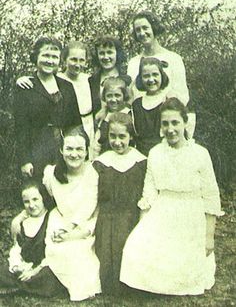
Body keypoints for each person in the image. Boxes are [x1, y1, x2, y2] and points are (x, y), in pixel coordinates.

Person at [120, 98, 222, 295]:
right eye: (165, 123)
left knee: (183, 264)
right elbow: (149, 192)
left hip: (191, 215)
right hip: (163, 210)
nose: (170, 129)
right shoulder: (156, 152)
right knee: (135, 248)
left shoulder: (200, 154)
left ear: (185, 123)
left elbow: (211, 196)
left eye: (175, 122)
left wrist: (209, 236)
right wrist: (143, 227)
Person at [42, 125, 101, 301]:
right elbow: (45, 199)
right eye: (69, 149)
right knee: (57, 249)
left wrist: (70, 232)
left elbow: (88, 208)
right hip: (60, 219)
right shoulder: (51, 173)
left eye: (79, 149)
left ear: (86, 151)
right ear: (61, 150)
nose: (74, 154)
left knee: (78, 254)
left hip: (86, 223)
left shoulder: (93, 173)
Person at [93, 113, 147, 295]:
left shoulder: (141, 162)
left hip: (132, 218)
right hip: (107, 220)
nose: (117, 142)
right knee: (107, 269)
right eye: (112, 136)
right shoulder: (101, 163)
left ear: (131, 136)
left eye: (122, 136)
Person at [14, 37, 82, 178]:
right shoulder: (26, 87)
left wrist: (79, 151)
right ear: (36, 57)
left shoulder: (67, 87)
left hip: (65, 151)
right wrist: (25, 160)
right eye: (45, 55)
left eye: (54, 57)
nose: (50, 61)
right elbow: (21, 128)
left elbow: (75, 124)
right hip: (37, 152)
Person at [0, 179, 67, 297]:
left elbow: (55, 252)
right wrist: (17, 266)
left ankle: (17, 288)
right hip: (25, 266)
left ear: (43, 198)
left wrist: (33, 271)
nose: (31, 205)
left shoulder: (52, 218)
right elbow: (17, 249)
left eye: (35, 199)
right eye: (26, 201)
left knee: (48, 278)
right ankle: (22, 286)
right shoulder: (22, 222)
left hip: (43, 267)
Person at [127, 11, 189, 105]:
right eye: (138, 30)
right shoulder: (133, 63)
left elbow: (182, 95)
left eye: (145, 28)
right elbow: (131, 95)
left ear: (154, 28)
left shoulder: (174, 59)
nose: (142, 33)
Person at [131, 57, 169, 156]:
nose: (151, 79)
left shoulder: (167, 100)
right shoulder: (136, 104)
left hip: (164, 153)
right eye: (146, 76)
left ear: (162, 75)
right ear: (140, 78)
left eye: (155, 75)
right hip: (141, 155)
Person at [89, 35, 128, 117]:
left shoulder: (127, 79)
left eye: (110, 52)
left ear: (117, 54)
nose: (106, 57)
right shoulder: (91, 81)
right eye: (102, 53)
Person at [93, 76, 132, 156]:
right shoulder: (102, 116)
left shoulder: (129, 113)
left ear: (124, 95)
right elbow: (97, 144)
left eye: (117, 95)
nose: (113, 100)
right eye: (109, 96)